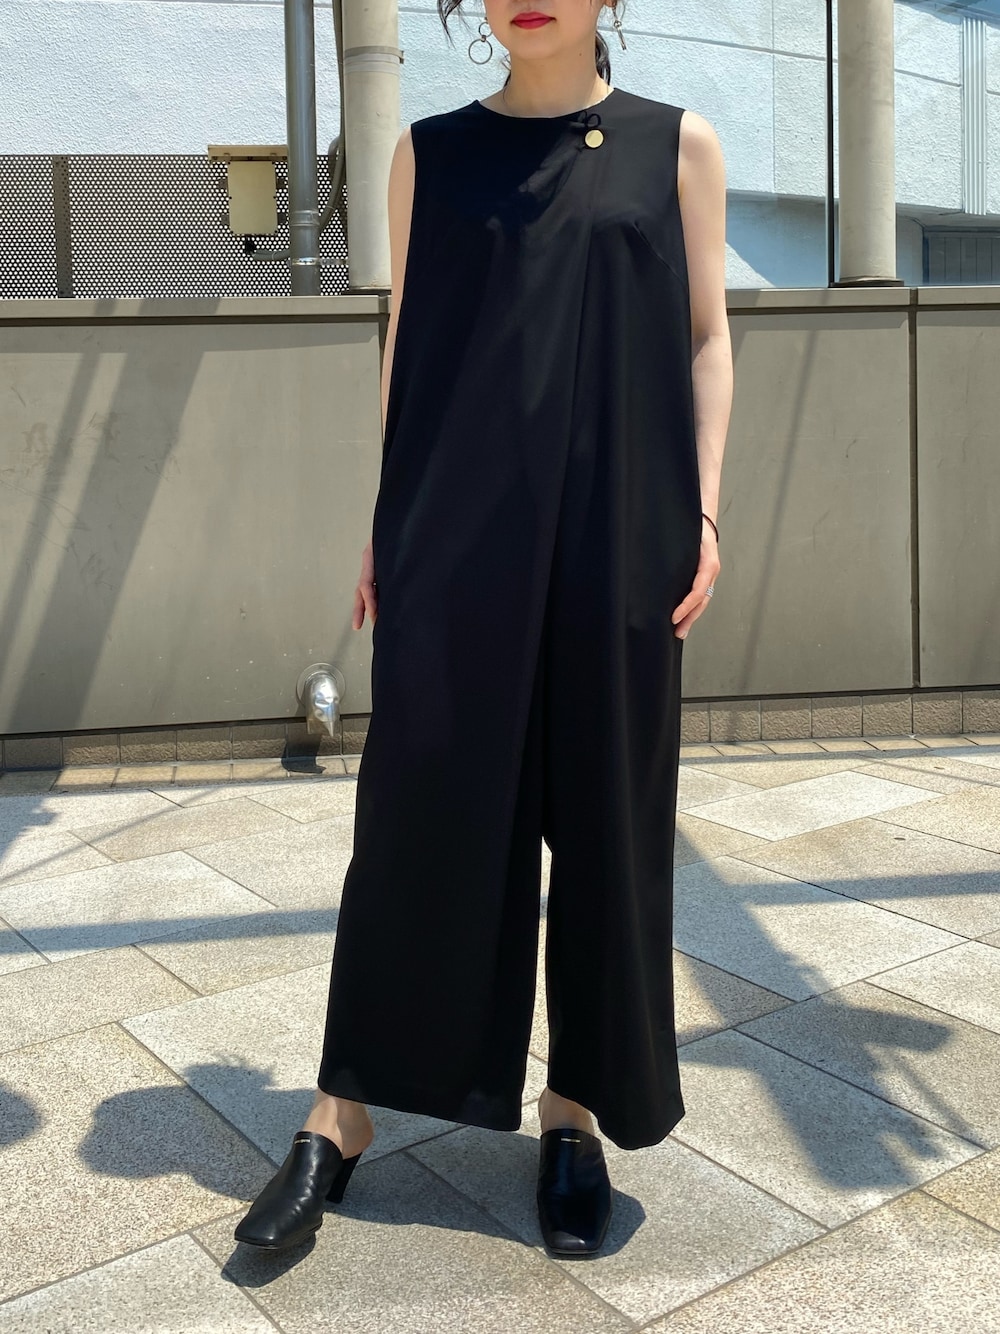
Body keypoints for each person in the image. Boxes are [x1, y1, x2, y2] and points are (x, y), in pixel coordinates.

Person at [235, 0, 731, 1257]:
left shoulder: (677, 147)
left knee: (609, 825)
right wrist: (384, 517)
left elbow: (706, 339)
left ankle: (574, 1110)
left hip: (622, 530)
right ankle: (342, 1110)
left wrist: (704, 513)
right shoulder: (431, 153)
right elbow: (410, 341)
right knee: (417, 809)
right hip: (455, 531)